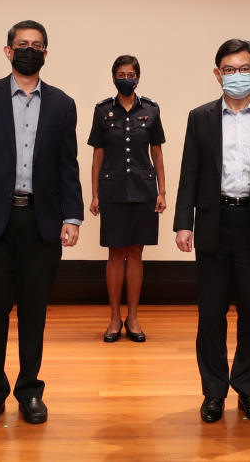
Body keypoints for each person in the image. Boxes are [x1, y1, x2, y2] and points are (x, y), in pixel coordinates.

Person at [0, 20, 82, 427]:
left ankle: (29, 391)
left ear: (47, 52)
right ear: (8, 51)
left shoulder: (63, 103)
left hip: (41, 222)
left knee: (34, 312)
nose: (30, 50)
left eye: (37, 45)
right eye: (22, 44)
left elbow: (67, 165)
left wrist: (73, 216)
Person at [175, 39, 250, 424]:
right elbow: (189, 173)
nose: (237, 76)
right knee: (211, 316)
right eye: (229, 70)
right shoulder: (200, 117)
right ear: (217, 74)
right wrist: (182, 222)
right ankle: (213, 393)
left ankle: (248, 390)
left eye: (244, 69)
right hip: (213, 223)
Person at [87, 55, 166, 343]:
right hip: (112, 191)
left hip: (143, 191)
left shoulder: (152, 110)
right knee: (114, 255)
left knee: (135, 254)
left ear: (138, 77)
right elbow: (97, 155)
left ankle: (133, 317)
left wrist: (162, 190)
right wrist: (94, 193)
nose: (126, 77)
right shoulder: (102, 111)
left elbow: (156, 152)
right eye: (121, 73)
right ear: (113, 78)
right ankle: (114, 318)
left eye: (131, 73)